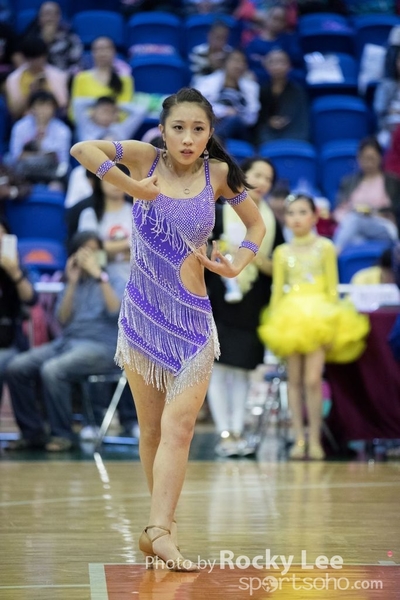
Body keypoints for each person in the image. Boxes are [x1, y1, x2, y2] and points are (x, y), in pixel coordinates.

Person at [70, 87, 266, 570]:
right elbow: (82, 149)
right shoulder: (144, 158)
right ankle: (165, 529)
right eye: (178, 128)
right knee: (153, 431)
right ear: (163, 130)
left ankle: (156, 531)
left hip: (193, 318)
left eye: (198, 129)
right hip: (142, 316)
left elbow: (256, 226)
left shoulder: (219, 174)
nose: (187, 138)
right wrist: (132, 187)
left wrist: (238, 263)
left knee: (181, 427)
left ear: (210, 133)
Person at [258, 193, 369, 460]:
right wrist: (275, 323)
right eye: (291, 213)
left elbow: (332, 289)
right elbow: (278, 292)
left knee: (312, 380)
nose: (296, 218)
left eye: (302, 212)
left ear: (314, 216)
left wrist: (332, 323)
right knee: (294, 381)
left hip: (319, 316)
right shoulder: (282, 252)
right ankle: (299, 438)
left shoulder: (325, 247)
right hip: (290, 318)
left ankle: (315, 438)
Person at [4, 231, 127, 452]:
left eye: (95, 250)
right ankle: (32, 434)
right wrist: (71, 283)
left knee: (53, 370)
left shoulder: (114, 279)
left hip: (102, 346)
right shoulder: (72, 281)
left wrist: (100, 276)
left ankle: (63, 435)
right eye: (85, 251)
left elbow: (116, 312)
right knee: (17, 367)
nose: (90, 256)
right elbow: (61, 319)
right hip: (67, 342)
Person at [206, 157, 284, 457]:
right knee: (217, 367)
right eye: (257, 175)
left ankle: (238, 431)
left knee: (242, 370)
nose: (262, 182)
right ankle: (224, 432)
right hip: (218, 299)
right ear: (242, 176)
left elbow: (276, 266)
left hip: (252, 302)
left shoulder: (271, 222)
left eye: (268, 178)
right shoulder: (218, 213)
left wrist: (253, 258)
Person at [333, 136, 400, 254]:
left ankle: (333, 253)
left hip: (383, 226)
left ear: (380, 157)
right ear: (358, 159)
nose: (368, 163)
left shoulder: (392, 182)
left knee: (355, 220)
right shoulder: (349, 182)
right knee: (354, 234)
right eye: (364, 159)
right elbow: (339, 210)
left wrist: (374, 213)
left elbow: (396, 210)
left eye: (372, 158)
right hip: (353, 226)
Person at [0, 218, 37, 402]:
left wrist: (14, 273)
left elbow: (31, 299)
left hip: (9, 343)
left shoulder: (18, 269)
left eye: (2, 235)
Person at [8, 90, 71, 189]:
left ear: (54, 108)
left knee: (63, 173)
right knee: (9, 162)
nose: (43, 110)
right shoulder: (20, 127)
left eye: (47, 106)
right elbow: (16, 156)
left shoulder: (62, 130)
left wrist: (35, 152)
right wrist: (41, 152)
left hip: (51, 170)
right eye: (39, 105)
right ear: (32, 108)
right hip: (26, 169)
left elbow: (62, 160)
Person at [195, 49, 260, 142]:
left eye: (243, 62)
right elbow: (199, 107)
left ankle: (213, 141)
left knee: (233, 120)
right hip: (213, 123)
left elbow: (252, 118)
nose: (239, 65)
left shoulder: (252, 87)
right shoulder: (206, 82)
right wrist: (224, 111)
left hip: (241, 128)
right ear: (225, 63)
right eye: (236, 61)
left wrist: (237, 114)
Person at [5, 37, 68, 120]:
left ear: (45, 56)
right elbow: (15, 112)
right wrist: (31, 92)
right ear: (26, 58)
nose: (37, 62)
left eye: (40, 57)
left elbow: (63, 107)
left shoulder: (58, 75)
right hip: (25, 120)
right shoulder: (13, 79)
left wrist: (45, 88)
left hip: (53, 119)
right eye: (33, 59)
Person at [255, 49, 309, 145]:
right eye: (273, 62)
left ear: (289, 66)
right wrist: (269, 121)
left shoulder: (298, 91)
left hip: (293, 133)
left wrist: (286, 120)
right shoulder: (260, 91)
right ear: (266, 66)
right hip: (267, 135)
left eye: (281, 62)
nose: (277, 66)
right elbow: (257, 119)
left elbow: (302, 120)